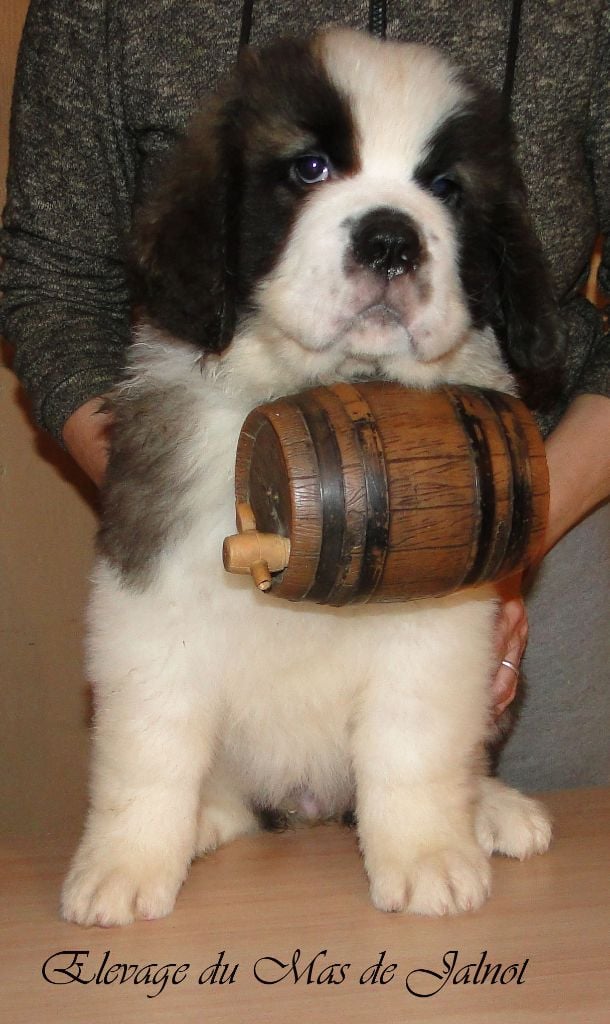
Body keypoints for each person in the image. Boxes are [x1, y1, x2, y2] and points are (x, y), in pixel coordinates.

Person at [1, 0, 609, 790]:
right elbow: (53, 278)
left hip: (537, 489)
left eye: (439, 187)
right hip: (218, 448)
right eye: (313, 171)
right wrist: (165, 498)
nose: (388, 235)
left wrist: (494, 529)